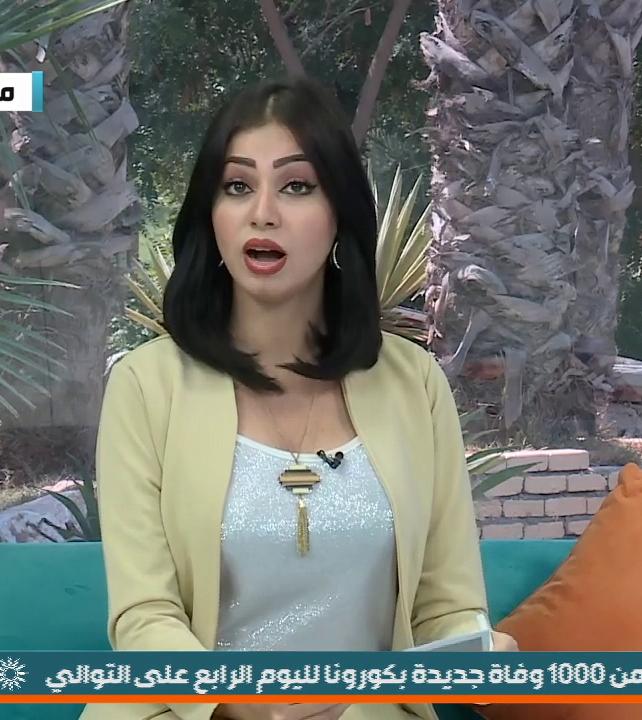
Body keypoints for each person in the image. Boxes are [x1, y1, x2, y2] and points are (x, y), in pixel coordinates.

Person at [78, 77, 517, 720]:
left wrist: (478, 651)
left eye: (296, 186)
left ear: (339, 214)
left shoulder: (414, 383)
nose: (262, 213)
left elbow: (445, 607)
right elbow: (145, 617)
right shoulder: (146, 385)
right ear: (210, 215)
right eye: (237, 186)